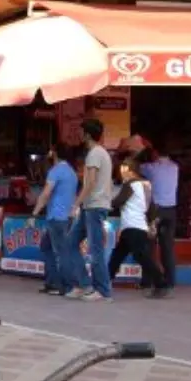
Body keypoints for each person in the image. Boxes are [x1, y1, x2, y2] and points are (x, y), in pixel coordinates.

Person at [110, 157, 168, 299]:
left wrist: (107, 203)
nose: (122, 173)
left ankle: (161, 283)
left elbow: (118, 202)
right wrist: (151, 223)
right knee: (118, 255)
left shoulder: (130, 184)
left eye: (124, 170)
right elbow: (151, 207)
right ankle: (105, 279)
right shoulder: (146, 185)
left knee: (142, 257)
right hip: (138, 225)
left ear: (131, 170)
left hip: (132, 225)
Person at [68, 119, 113, 302]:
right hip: (92, 206)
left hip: (94, 205)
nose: (79, 134)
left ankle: (102, 291)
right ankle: (83, 284)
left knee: (95, 250)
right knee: (71, 242)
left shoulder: (94, 154)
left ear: (87, 134)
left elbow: (91, 182)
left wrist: (76, 203)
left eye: (81, 131)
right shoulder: (101, 153)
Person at [30, 144, 81, 296]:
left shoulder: (56, 171)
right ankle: (53, 282)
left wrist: (34, 214)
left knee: (61, 251)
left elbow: (45, 194)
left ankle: (68, 286)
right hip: (68, 216)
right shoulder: (72, 172)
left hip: (57, 217)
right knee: (47, 247)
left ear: (55, 154)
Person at [140, 143, 178, 291]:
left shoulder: (152, 168)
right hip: (171, 211)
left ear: (155, 153)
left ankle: (148, 280)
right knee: (167, 247)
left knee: (149, 246)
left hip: (156, 211)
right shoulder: (175, 167)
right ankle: (170, 281)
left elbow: (137, 167)